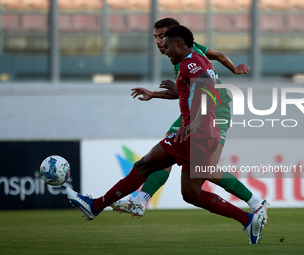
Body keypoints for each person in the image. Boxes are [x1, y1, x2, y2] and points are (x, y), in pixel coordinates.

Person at [66, 25, 266, 244]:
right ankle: (248, 220)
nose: (165, 49)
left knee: (144, 165)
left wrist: (195, 122)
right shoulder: (200, 62)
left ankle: (96, 206)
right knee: (191, 193)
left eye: (167, 44)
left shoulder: (188, 63)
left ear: (180, 43)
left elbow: (208, 88)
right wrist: (159, 95)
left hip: (194, 134)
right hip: (205, 134)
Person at [112, 17, 268, 221]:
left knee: (206, 167)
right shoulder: (178, 57)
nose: (159, 41)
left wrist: (234, 70)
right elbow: (190, 87)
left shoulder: (190, 53)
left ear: (177, 38)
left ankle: (256, 202)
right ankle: (140, 200)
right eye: (156, 37)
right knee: (167, 148)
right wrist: (155, 93)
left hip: (216, 109)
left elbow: (215, 64)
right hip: (194, 112)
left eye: (162, 37)